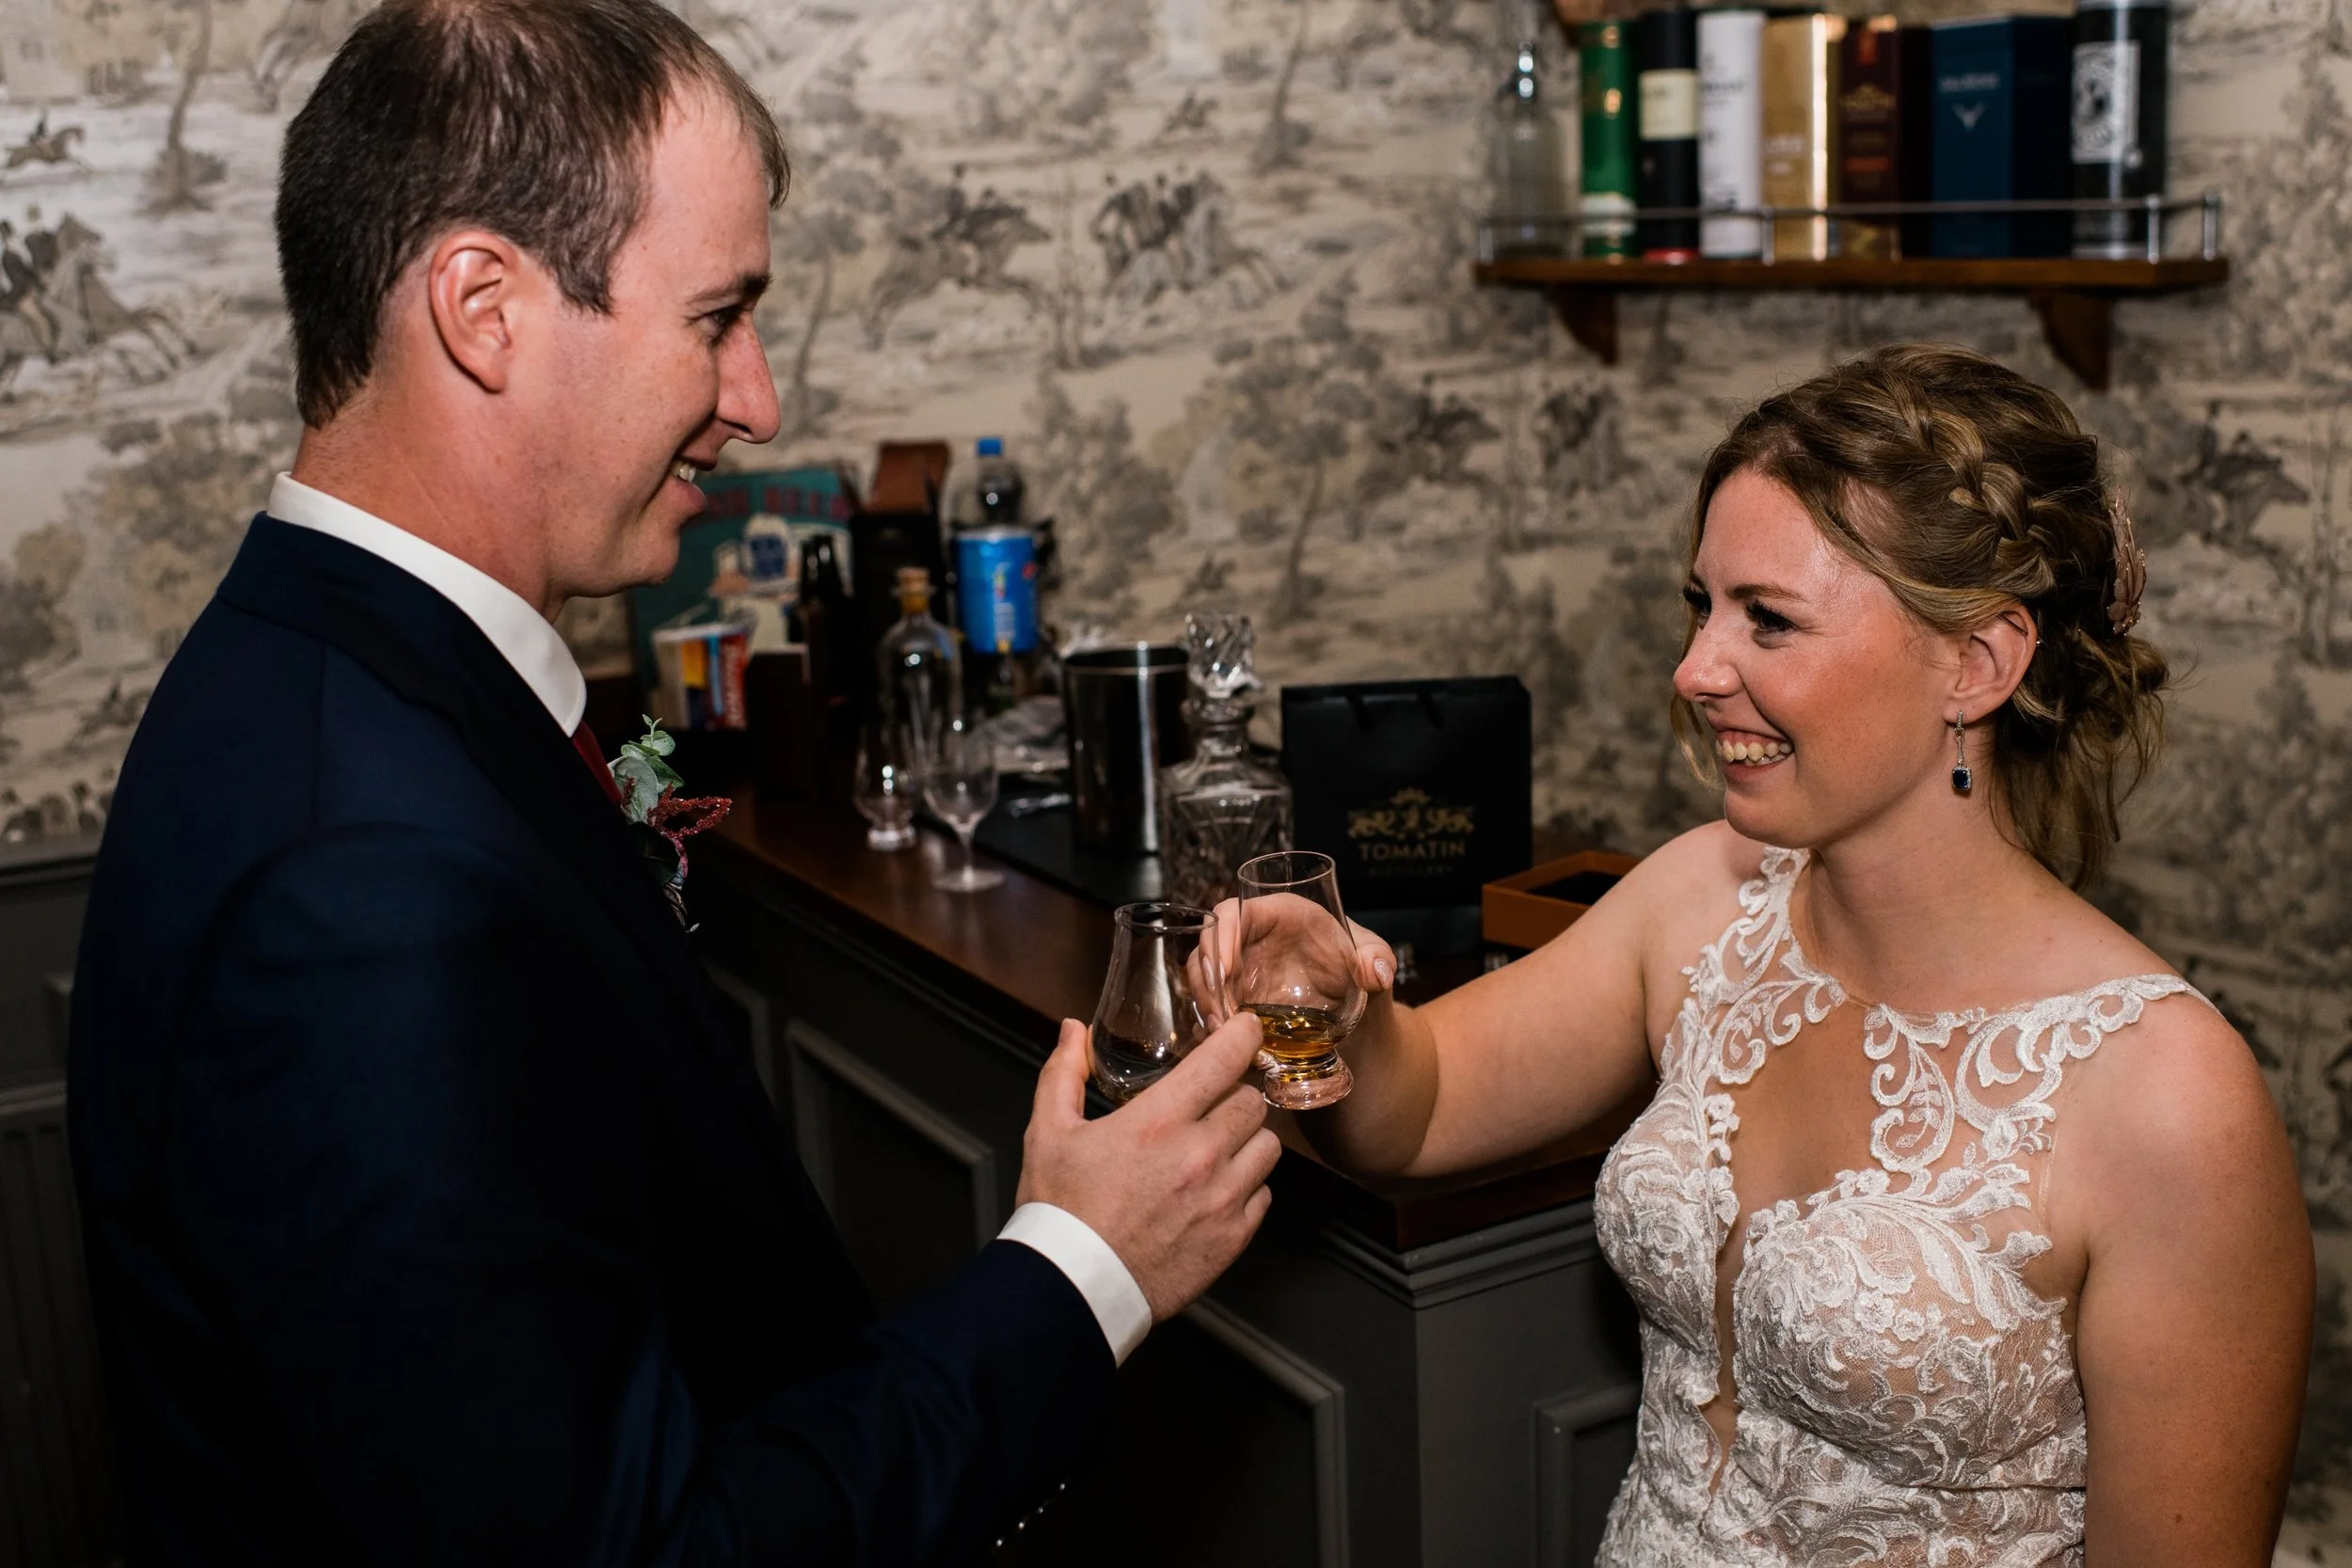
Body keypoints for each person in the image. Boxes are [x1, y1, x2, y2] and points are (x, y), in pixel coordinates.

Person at [69, 2, 1279, 1563]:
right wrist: (1082, 1267)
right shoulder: (362, 879)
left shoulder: (319, 676)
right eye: (717, 318)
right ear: (484, 310)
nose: (760, 396)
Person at [1290, 345, 2313, 1563]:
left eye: (1767, 618)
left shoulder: (2166, 1096)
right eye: (1701, 604)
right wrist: (1333, 1001)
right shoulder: (1700, 901)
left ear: (1979, 662)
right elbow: (1415, 1109)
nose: (1694, 669)